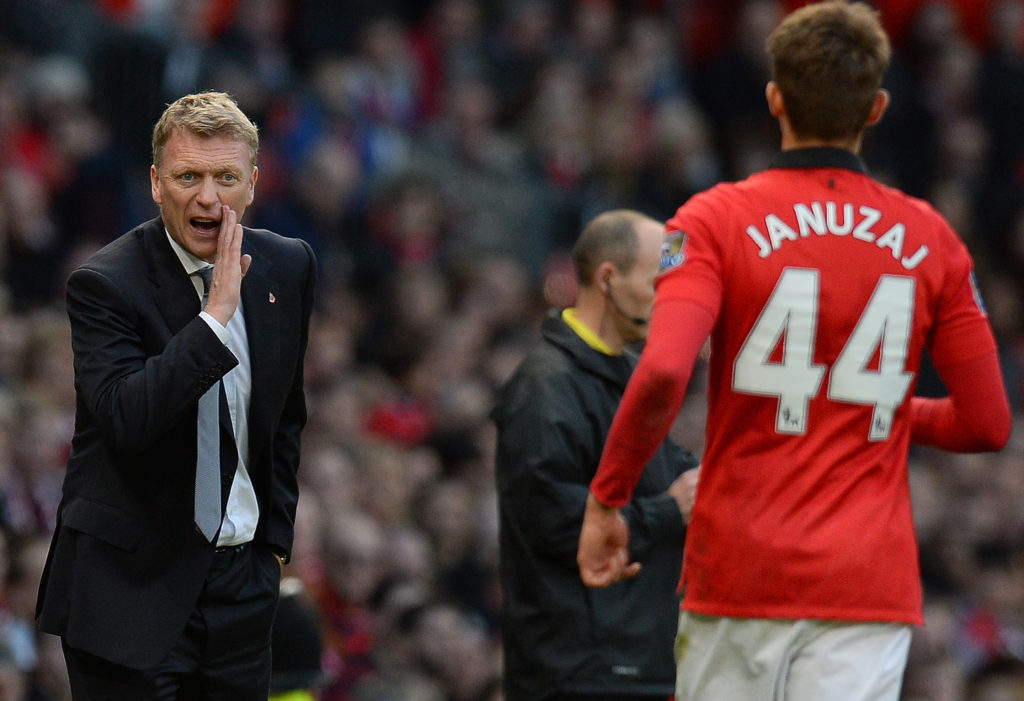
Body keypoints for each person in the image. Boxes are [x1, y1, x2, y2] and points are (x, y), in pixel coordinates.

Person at [576, 3, 1013, 701]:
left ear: (775, 97)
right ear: (876, 109)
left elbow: (662, 369)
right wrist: (891, 405)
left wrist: (608, 500)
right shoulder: (931, 237)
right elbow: (988, 423)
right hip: (865, 585)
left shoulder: (712, 219)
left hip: (739, 571)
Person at [35, 91, 317, 700]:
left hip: (241, 591)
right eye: (189, 176)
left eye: (226, 177)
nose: (208, 197)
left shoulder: (287, 266)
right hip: (129, 593)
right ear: (158, 183)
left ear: (253, 184)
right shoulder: (104, 284)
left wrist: (272, 547)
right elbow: (128, 417)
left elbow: (286, 417)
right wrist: (214, 318)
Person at [492, 209, 700, 701]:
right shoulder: (546, 389)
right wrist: (670, 510)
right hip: (576, 671)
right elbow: (556, 526)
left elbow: (664, 476)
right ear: (608, 278)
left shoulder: (631, 375)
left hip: (632, 662)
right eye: (658, 283)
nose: (669, 299)